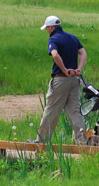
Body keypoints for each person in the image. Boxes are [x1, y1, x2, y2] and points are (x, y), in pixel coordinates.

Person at [30, 15, 88, 145]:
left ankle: (42, 141)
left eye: (46, 28)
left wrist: (64, 69)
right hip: (74, 80)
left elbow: (55, 54)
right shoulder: (72, 37)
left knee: (51, 110)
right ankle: (82, 142)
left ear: (50, 27)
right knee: (75, 112)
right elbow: (83, 53)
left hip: (61, 80)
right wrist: (78, 69)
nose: (47, 31)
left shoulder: (53, 39)